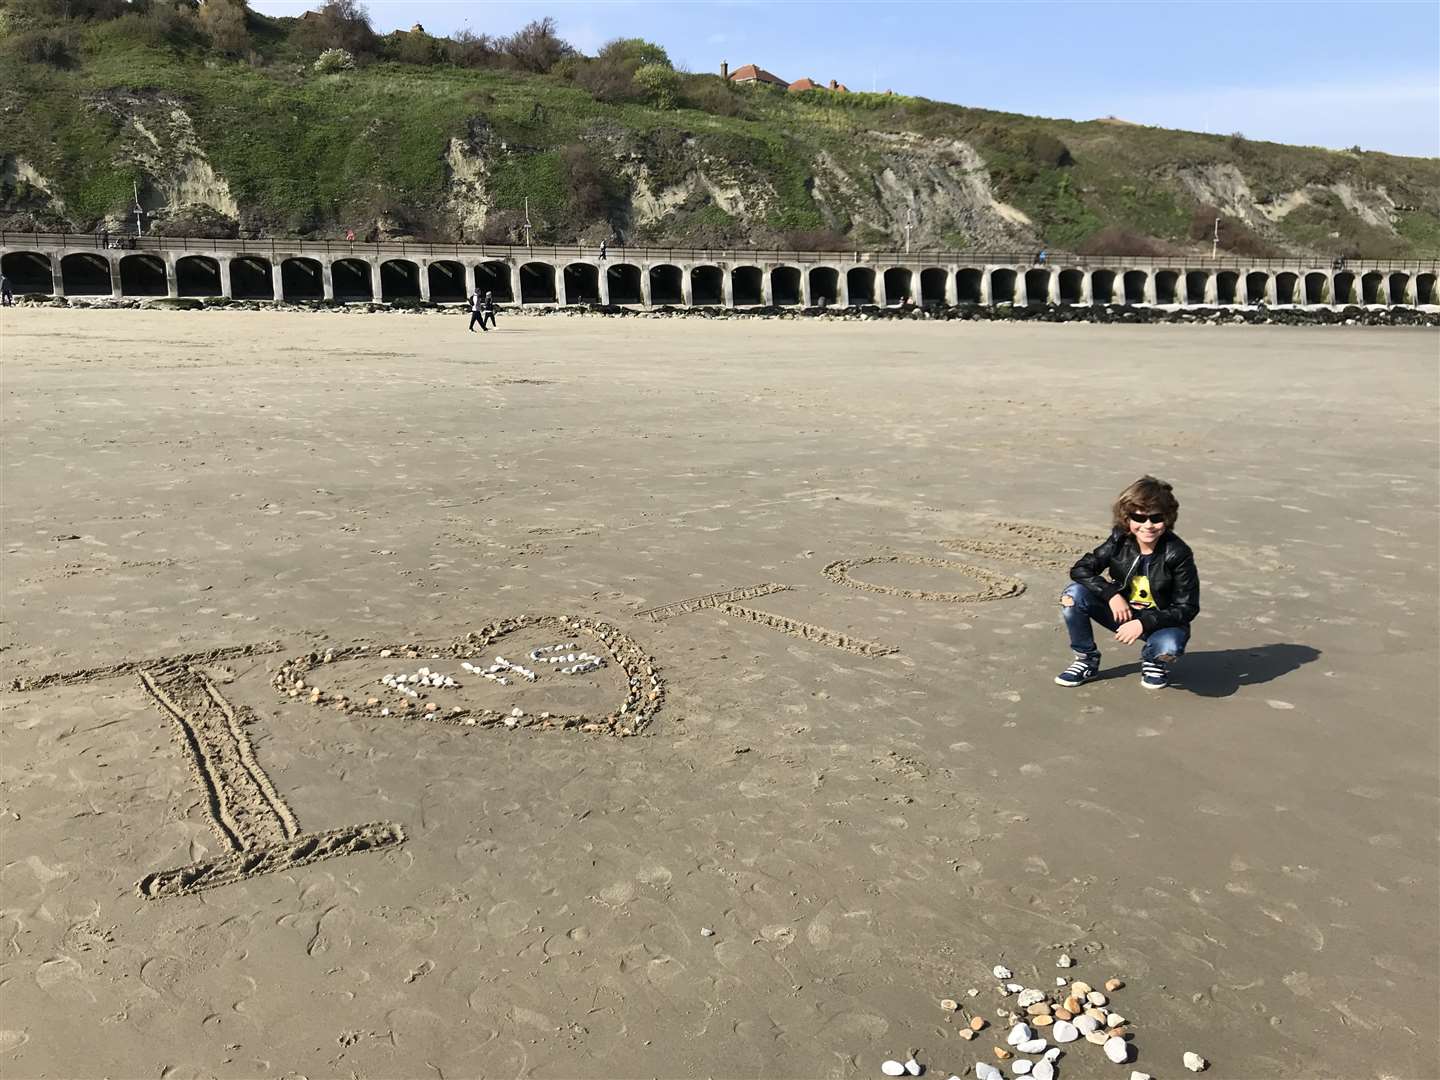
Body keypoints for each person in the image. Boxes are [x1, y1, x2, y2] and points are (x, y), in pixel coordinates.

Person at [1055, 476, 1199, 690]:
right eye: (1139, 518)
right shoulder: (1119, 540)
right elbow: (1081, 569)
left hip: (1161, 622)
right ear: (1127, 519)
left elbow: (1187, 607)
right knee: (1073, 595)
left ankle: (1153, 659)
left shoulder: (1178, 553)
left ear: (1168, 518)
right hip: (1123, 612)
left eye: (1156, 518)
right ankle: (1086, 659)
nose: (1148, 525)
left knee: (1169, 647)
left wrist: (1143, 623)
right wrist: (1111, 594)